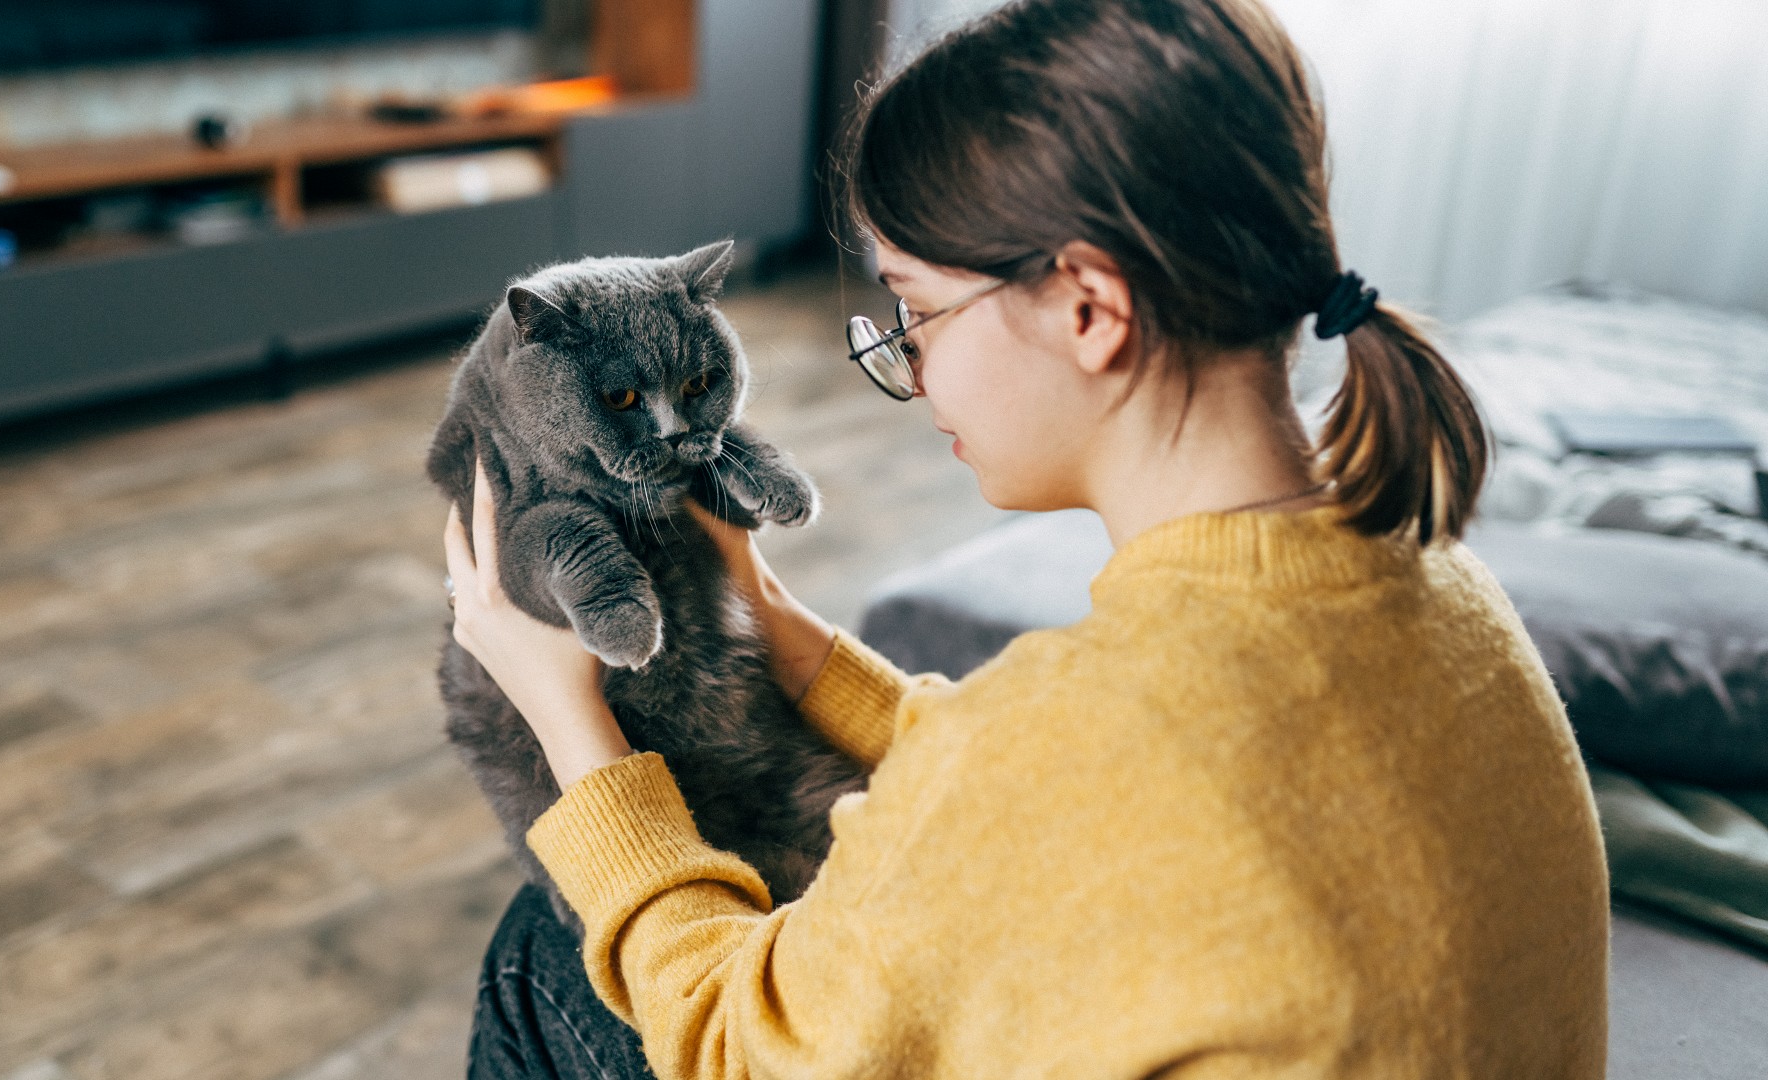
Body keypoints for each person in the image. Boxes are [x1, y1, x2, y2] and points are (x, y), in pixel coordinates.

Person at [445, 0, 1612, 1076]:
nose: (904, 358)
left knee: (545, 954)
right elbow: (1045, 797)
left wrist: (569, 723)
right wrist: (780, 621)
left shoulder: (1068, 742)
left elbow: (734, 1040)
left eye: (916, 310)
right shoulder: (1444, 586)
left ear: (1089, 309)